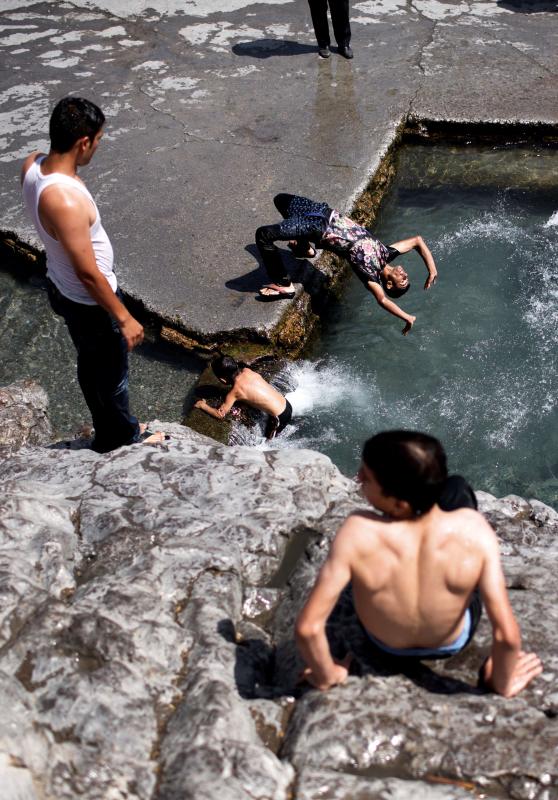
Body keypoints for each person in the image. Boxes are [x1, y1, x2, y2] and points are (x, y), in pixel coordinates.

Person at [295, 430, 543, 697]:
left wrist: (327, 675)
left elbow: (308, 629)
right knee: (458, 488)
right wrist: (502, 684)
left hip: (383, 644)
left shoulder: (358, 530)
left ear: (399, 503)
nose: (358, 477)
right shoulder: (475, 531)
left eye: (366, 476)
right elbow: (507, 637)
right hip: (450, 643)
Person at [21, 96, 165, 452]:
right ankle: (123, 438)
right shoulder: (65, 200)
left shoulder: (31, 165)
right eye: (98, 140)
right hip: (88, 301)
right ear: (83, 142)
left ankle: (111, 425)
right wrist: (124, 316)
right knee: (113, 375)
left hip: (62, 287)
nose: (98, 148)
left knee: (90, 361)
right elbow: (87, 272)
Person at [255, 193, 437, 335]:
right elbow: (417, 241)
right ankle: (303, 247)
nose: (405, 275)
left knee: (263, 235)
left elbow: (382, 299)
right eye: (406, 278)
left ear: (389, 284)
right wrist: (432, 270)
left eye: (402, 280)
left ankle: (284, 284)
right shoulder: (386, 253)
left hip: (317, 229)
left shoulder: (370, 275)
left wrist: (407, 318)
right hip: (323, 212)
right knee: (280, 200)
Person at [194, 355, 293, 439]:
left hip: (279, 417)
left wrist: (203, 406)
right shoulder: (247, 371)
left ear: (223, 380)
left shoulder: (234, 392)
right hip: (286, 403)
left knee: (268, 442)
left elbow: (220, 414)